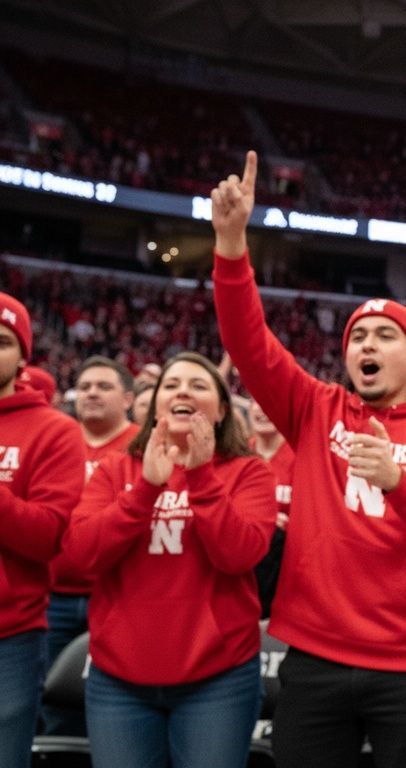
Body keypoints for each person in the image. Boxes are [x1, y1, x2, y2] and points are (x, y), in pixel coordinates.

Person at [210, 151, 406, 768]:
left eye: (385, 336)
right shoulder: (315, 407)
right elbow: (248, 343)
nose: (366, 343)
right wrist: (231, 246)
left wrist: (397, 483)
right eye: (357, 335)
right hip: (314, 657)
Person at [62, 352, 276, 768]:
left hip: (219, 678)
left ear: (223, 412)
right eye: (172, 384)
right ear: (154, 405)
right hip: (118, 679)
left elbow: (239, 555)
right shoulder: (115, 469)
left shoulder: (249, 473)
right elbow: (82, 554)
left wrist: (200, 478)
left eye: (199, 385)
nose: (183, 390)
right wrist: (144, 491)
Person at [0, 291, 84, 768]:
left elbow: (46, 537)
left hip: (11, 636)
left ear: (22, 358)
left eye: (2, 341)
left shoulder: (54, 431)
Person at [42, 355, 139, 737]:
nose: (91, 394)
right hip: (55, 596)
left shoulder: (143, 446)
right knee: (52, 701)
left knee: (119, 702)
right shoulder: (57, 442)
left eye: (103, 386)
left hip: (118, 594)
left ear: (129, 399)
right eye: (84, 387)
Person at [247, 398, 293, 620]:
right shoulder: (238, 455)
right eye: (255, 402)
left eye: (266, 402)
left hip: (289, 566)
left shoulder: (302, 454)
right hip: (247, 564)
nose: (262, 408)